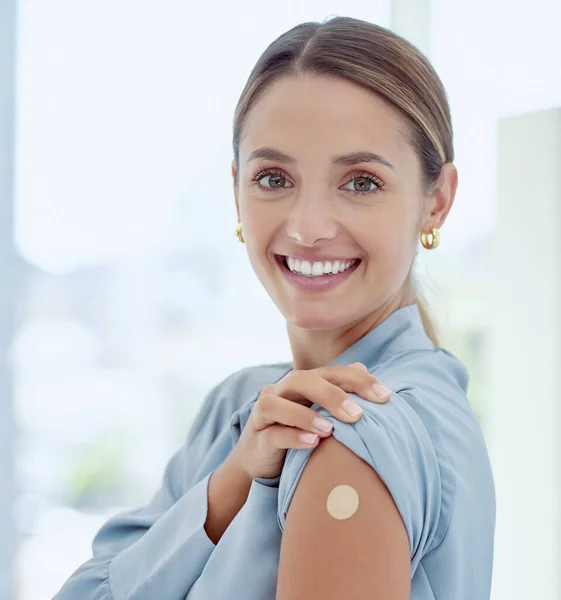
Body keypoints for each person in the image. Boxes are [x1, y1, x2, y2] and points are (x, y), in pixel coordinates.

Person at [55, 15, 495, 600]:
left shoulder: (352, 430)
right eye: (273, 177)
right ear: (236, 189)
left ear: (436, 201)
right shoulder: (236, 413)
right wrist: (231, 484)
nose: (308, 228)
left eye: (361, 182)